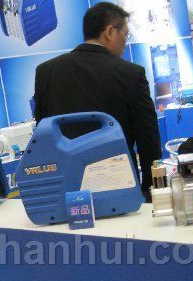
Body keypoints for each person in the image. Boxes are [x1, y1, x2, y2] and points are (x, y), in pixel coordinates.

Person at [33, 2, 162, 201]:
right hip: (119, 186)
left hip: (66, 188)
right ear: (110, 32)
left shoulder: (46, 72)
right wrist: (151, 190)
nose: (125, 42)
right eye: (125, 35)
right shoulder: (131, 74)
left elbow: (44, 133)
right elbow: (148, 138)